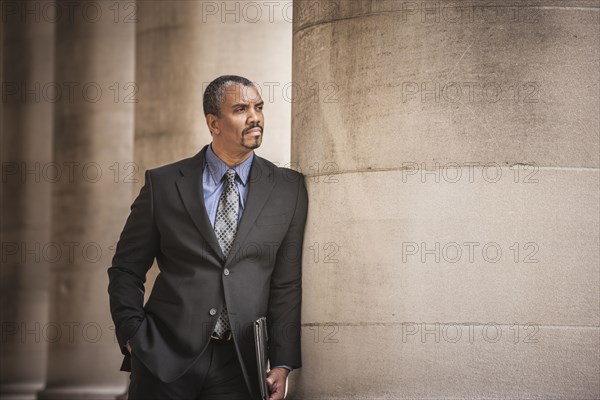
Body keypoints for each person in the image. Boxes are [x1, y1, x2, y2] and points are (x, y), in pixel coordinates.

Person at [107, 75, 308, 400]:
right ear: (214, 122)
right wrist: (134, 336)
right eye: (241, 109)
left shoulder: (288, 189)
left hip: (240, 365)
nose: (255, 117)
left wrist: (282, 363)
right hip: (163, 357)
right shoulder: (164, 184)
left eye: (258, 107)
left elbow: (286, 283)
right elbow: (126, 270)